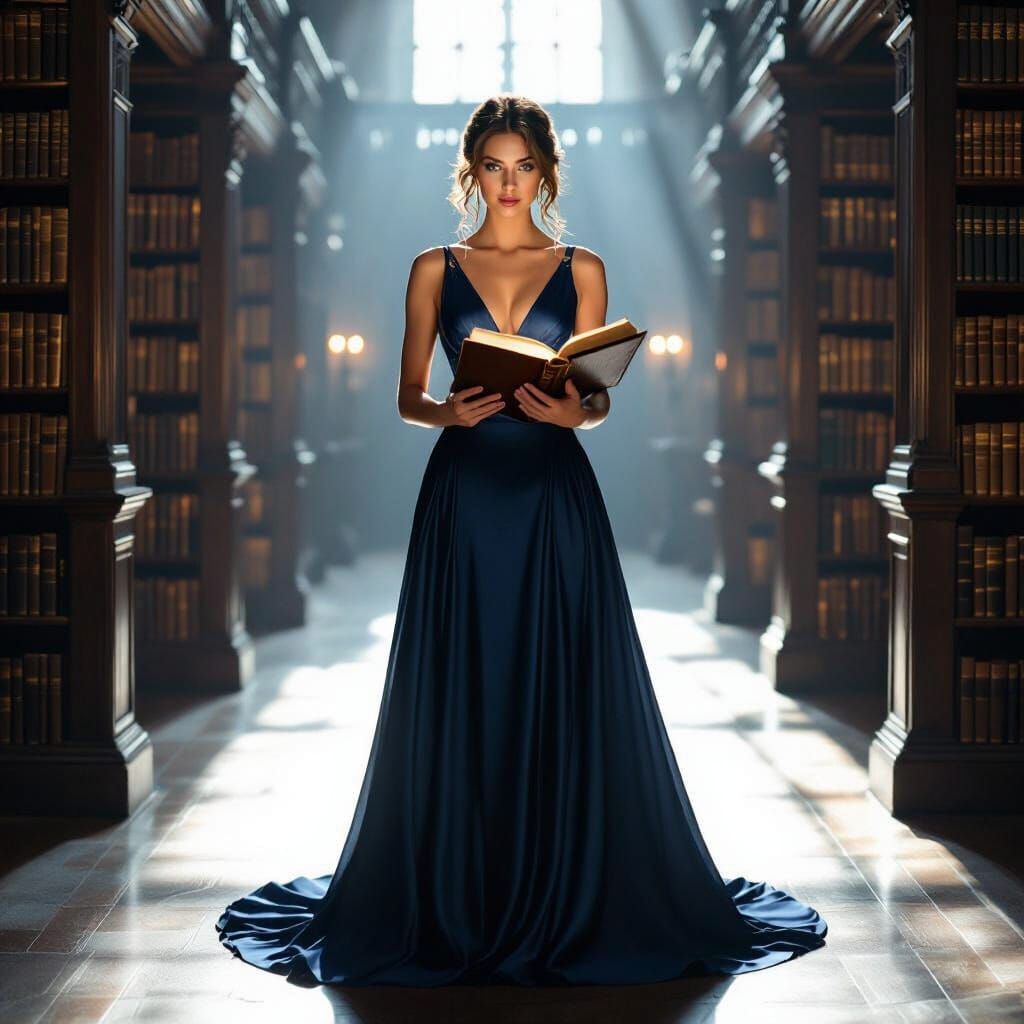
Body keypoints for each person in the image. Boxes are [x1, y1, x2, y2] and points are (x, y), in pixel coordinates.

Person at [215, 94, 827, 987]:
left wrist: (571, 409)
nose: (510, 183)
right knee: (465, 681)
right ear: (472, 172)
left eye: (524, 166)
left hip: (551, 496)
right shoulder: (433, 267)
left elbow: (600, 395)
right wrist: (447, 410)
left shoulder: (583, 268)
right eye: (494, 167)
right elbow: (406, 394)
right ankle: (456, 887)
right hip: (463, 499)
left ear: (546, 171)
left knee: (563, 678)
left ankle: (564, 883)